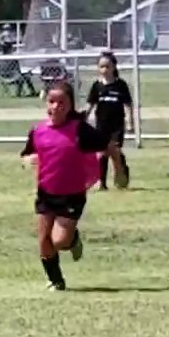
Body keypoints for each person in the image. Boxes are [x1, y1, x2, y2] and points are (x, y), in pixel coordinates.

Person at [21, 81, 127, 291]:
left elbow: (109, 146)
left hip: (72, 194)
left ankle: (73, 240)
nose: (56, 107)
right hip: (46, 192)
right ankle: (56, 281)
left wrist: (119, 170)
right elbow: (26, 154)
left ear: (70, 105)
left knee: (58, 241)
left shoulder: (79, 130)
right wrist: (28, 159)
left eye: (62, 102)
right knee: (44, 240)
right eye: (52, 101)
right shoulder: (38, 131)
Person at [86, 51, 134, 190]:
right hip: (101, 125)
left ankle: (121, 174)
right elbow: (90, 104)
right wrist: (82, 119)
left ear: (114, 67)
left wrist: (130, 122)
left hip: (117, 125)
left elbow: (127, 105)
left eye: (107, 66)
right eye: (101, 67)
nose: (104, 70)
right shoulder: (97, 86)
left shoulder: (120, 85)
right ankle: (101, 182)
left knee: (114, 151)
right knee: (101, 153)